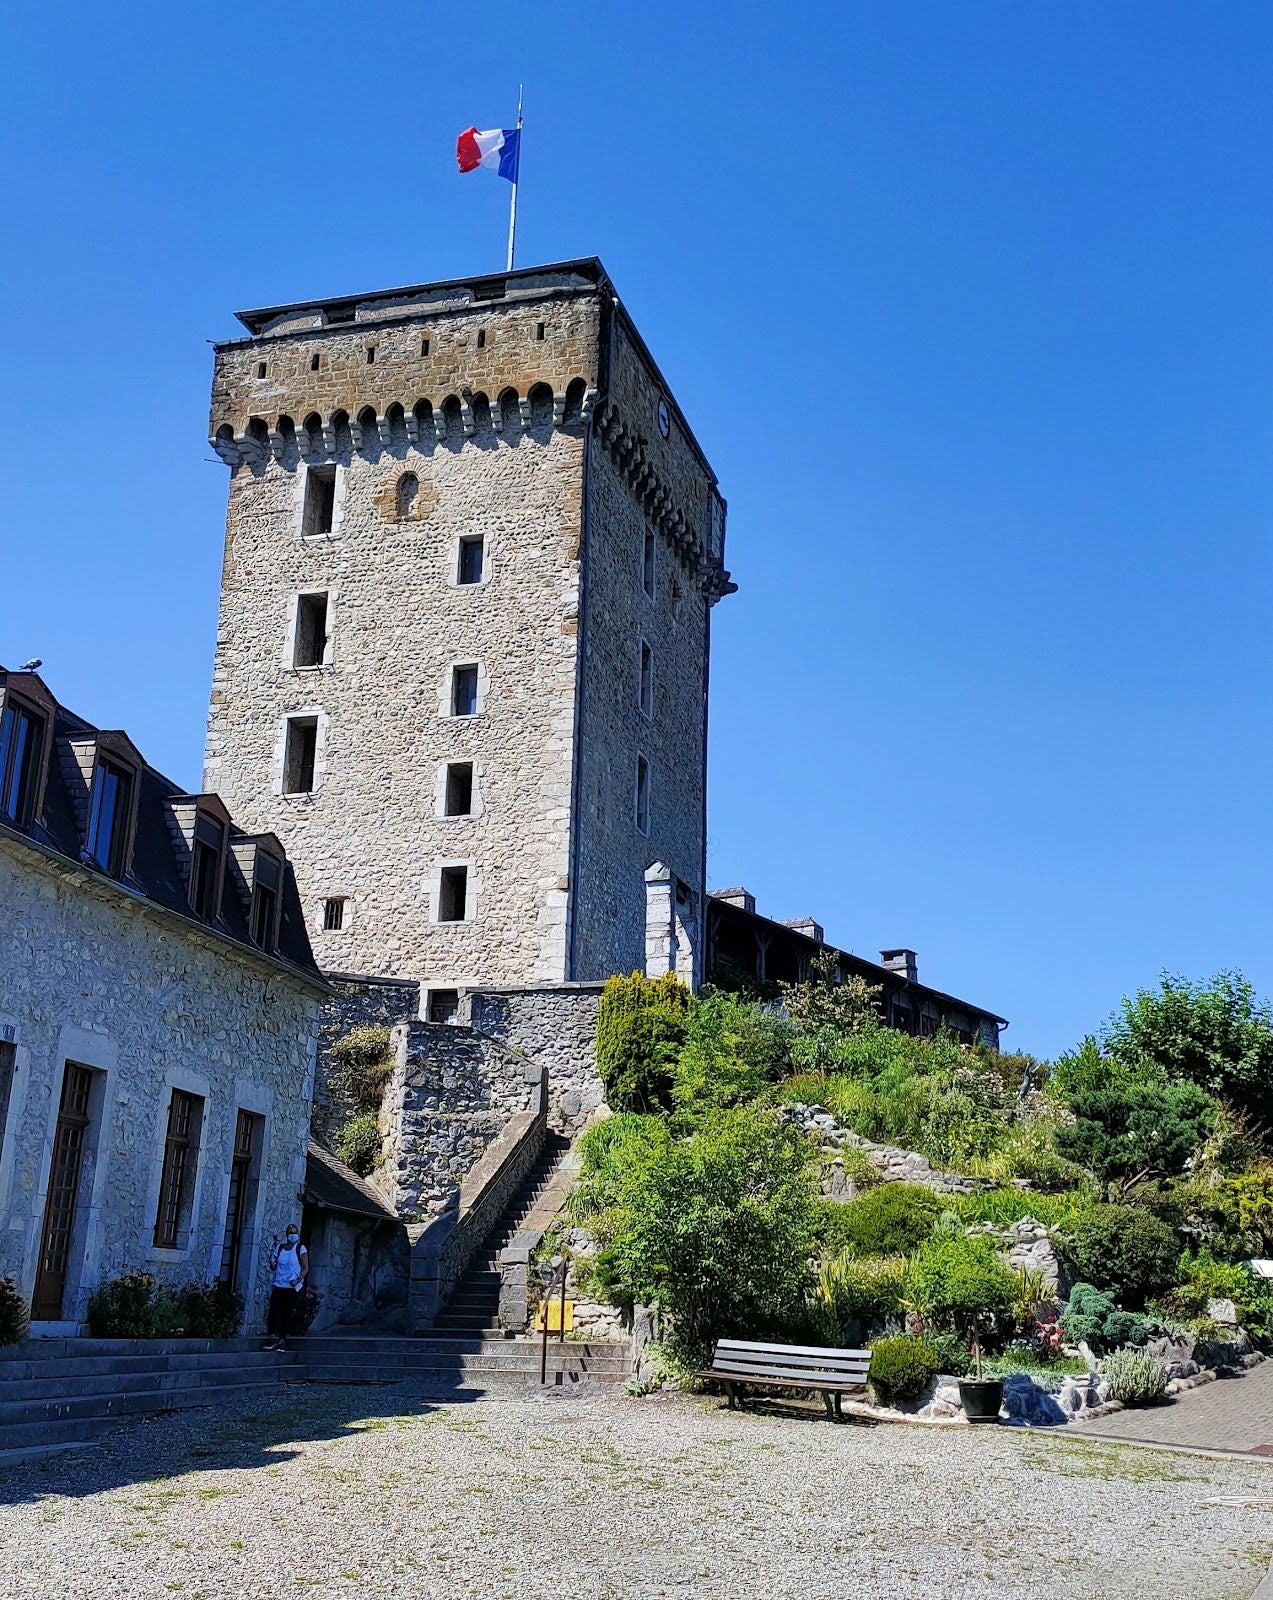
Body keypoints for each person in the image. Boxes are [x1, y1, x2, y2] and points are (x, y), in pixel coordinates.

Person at [264, 1224, 308, 1351]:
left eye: (295, 1232)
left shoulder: (301, 1249)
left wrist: (298, 1279)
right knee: (274, 1311)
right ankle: (272, 1337)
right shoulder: (280, 1248)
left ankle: (282, 1340)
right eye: (290, 1232)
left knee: (286, 1313)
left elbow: (306, 1268)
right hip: (279, 1284)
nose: (292, 1234)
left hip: (291, 1287)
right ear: (287, 1234)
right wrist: (271, 1262)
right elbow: (274, 1266)